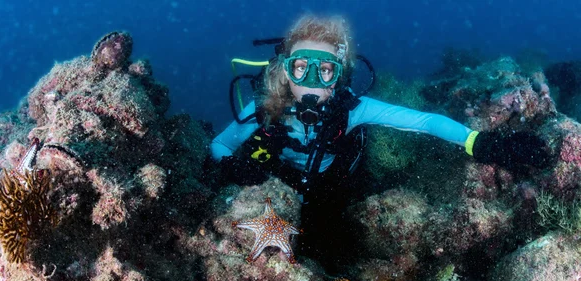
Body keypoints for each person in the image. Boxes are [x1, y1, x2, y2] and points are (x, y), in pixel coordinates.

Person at [210, 16, 549, 267]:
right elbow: (219, 145)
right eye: (301, 68)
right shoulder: (263, 109)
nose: (311, 81)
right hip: (279, 186)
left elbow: (424, 121)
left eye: (324, 70)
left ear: (338, 74)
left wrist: (481, 142)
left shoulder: (354, 109)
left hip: (332, 189)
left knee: (334, 248)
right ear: (285, 72)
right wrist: (231, 167)